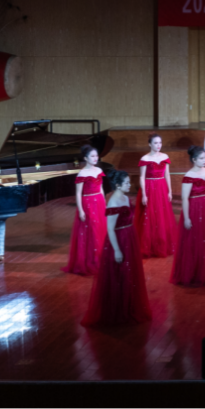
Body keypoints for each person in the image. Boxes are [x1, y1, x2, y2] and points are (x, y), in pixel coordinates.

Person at [82, 171, 152, 327]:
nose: (129, 185)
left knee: (130, 273)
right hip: (119, 240)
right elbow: (110, 229)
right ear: (118, 185)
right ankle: (118, 309)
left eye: (129, 182)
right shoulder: (113, 202)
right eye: (126, 183)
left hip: (129, 237)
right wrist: (117, 250)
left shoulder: (125, 198)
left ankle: (130, 305)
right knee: (120, 274)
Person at [170, 146, 205, 287]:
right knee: (196, 240)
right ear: (194, 160)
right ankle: (195, 272)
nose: (204, 160)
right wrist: (187, 218)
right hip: (195, 209)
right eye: (201, 158)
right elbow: (184, 198)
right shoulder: (189, 176)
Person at [62, 144, 107, 276]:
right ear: (86, 158)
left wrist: (104, 203)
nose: (95, 158)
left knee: (101, 230)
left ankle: (99, 258)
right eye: (92, 156)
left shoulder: (99, 170)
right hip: (88, 204)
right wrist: (81, 210)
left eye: (96, 156)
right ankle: (90, 260)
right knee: (92, 231)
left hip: (99, 202)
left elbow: (101, 189)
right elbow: (78, 193)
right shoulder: (82, 173)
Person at [136, 134, 176, 258]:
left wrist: (170, 191)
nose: (158, 145)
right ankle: (150, 245)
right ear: (149, 144)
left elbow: (167, 175)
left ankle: (161, 243)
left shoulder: (165, 157)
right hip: (149, 188)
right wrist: (144, 194)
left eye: (160, 143)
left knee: (162, 215)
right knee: (149, 216)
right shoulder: (145, 158)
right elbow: (142, 177)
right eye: (155, 143)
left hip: (161, 187)